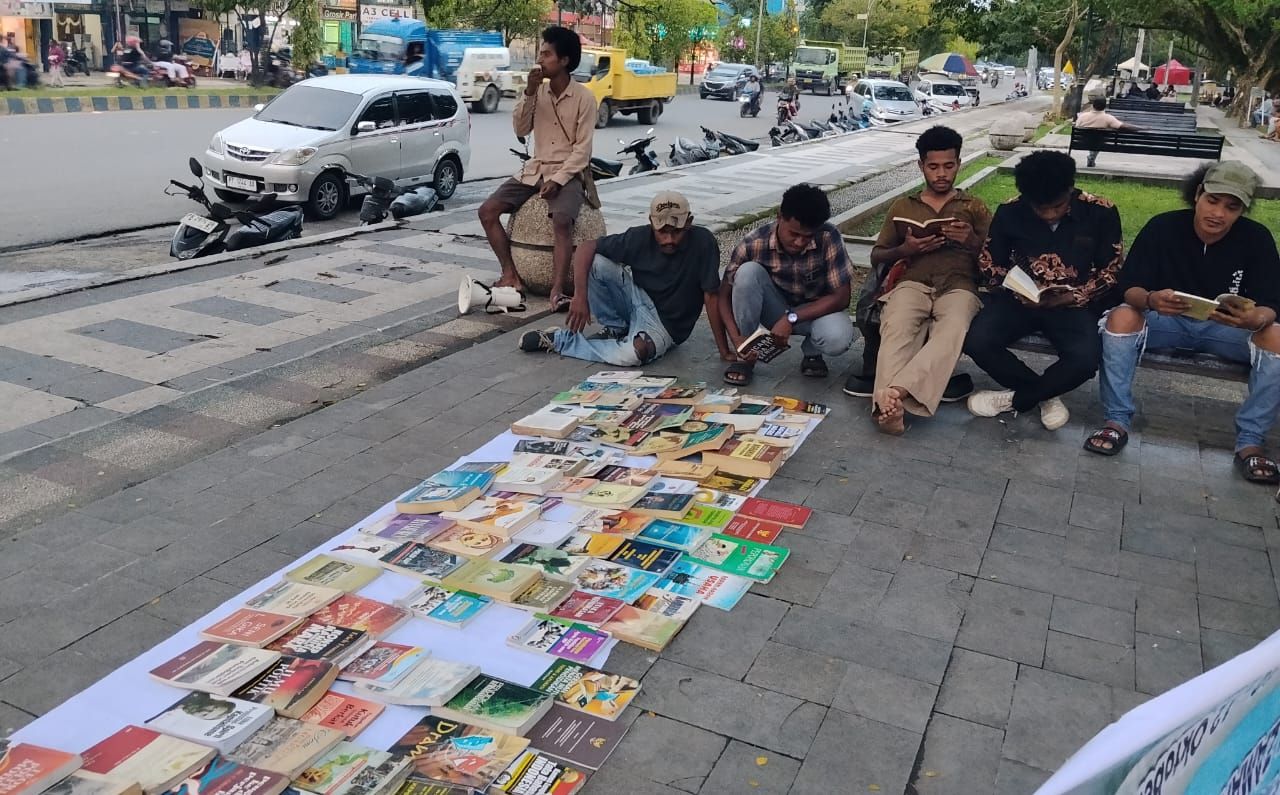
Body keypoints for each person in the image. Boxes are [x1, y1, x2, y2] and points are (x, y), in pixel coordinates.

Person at [1084, 162, 1280, 485]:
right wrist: (1150, 300)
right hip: (1166, 321)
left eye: (1232, 207)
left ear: (1242, 210)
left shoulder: (1256, 239)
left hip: (1227, 330)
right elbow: (1128, 287)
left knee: (1275, 336)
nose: (1218, 213)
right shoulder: (1163, 227)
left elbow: (1272, 303)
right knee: (1121, 317)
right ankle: (1116, 421)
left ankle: (1250, 441)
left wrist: (1253, 317)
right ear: (1198, 195)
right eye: (1212, 201)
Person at [963, 151, 1123, 430]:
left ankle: (1019, 397)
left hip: (1073, 303)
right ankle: (1045, 394)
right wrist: (1017, 290)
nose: (1049, 215)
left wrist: (1076, 295)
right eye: (1040, 209)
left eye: (1058, 206)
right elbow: (989, 264)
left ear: (1070, 189)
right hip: (1019, 300)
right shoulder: (1010, 211)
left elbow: (1112, 270)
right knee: (977, 341)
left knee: (1085, 359)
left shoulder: (1101, 211)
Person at [860, 125, 990, 434]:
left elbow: (995, 259)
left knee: (953, 327)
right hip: (912, 281)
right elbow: (877, 255)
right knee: (897, 324)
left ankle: (894, 395)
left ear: (959, 163)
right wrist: (906, 249)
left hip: (959, 285)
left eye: (949, 166)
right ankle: (889, 410)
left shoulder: (975, 207)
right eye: (933, 167)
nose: (941, 174)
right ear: (921, 166)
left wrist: (971, 240)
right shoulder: (903, 206)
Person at [518, 191, 730, 366]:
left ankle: (562, 341)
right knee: (596, 260)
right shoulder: (638, 237)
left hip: (666, 325)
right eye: (662, 232)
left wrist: (724, 351)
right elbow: (586, 247)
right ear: (651, 223)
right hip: (637, 298)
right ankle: (616, 328)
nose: (669, 239)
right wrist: (580, 296)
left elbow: (711, 297)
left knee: (635, 354)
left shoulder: (704, 243)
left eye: (676, 232)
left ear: (689, 223)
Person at [477, 26, 595, 310]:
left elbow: (583, 151)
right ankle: (510, 273)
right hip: (536, 168)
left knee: (562, 221)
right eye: (540, 53)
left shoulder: (585, 98)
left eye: (546, 54)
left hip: (569, 171)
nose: (540, 60)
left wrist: (559, 180)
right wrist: (529, 92)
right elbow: (520, 128)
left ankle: (557, 290)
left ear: (564, 60)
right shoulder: (537, 92)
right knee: (487, 211)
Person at [719, 183, 855, 387]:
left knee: (838, 336)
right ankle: (746, 355)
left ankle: (812, 354)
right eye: (794, 234)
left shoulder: (828, 236)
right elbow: (723, 296)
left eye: (807, 237)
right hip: (773, 310)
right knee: (747, 273)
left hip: (811, 314)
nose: (800, 242)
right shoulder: (754, 242)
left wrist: (791, 319)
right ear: (779, 216)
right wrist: (736, 338)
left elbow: (842, 297)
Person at [1074, 97, 1142, 167]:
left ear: (1093, 105)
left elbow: (1077, 125)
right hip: (1100, 143)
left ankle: (1091, 157)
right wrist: (1141, 128)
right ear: (1105, 106)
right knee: (1098, 139)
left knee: (1094, 138)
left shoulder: (1082, 116)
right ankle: (1092, 157)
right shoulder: (1108, 118)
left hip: (1081, 142)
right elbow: (1123, 126)